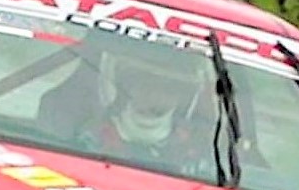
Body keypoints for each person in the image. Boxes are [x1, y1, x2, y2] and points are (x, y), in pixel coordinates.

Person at [76, 39, 215, 172]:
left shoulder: (119, 49)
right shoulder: (196, 67)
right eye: (158, 110)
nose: (155, 98)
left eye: (145, 109)